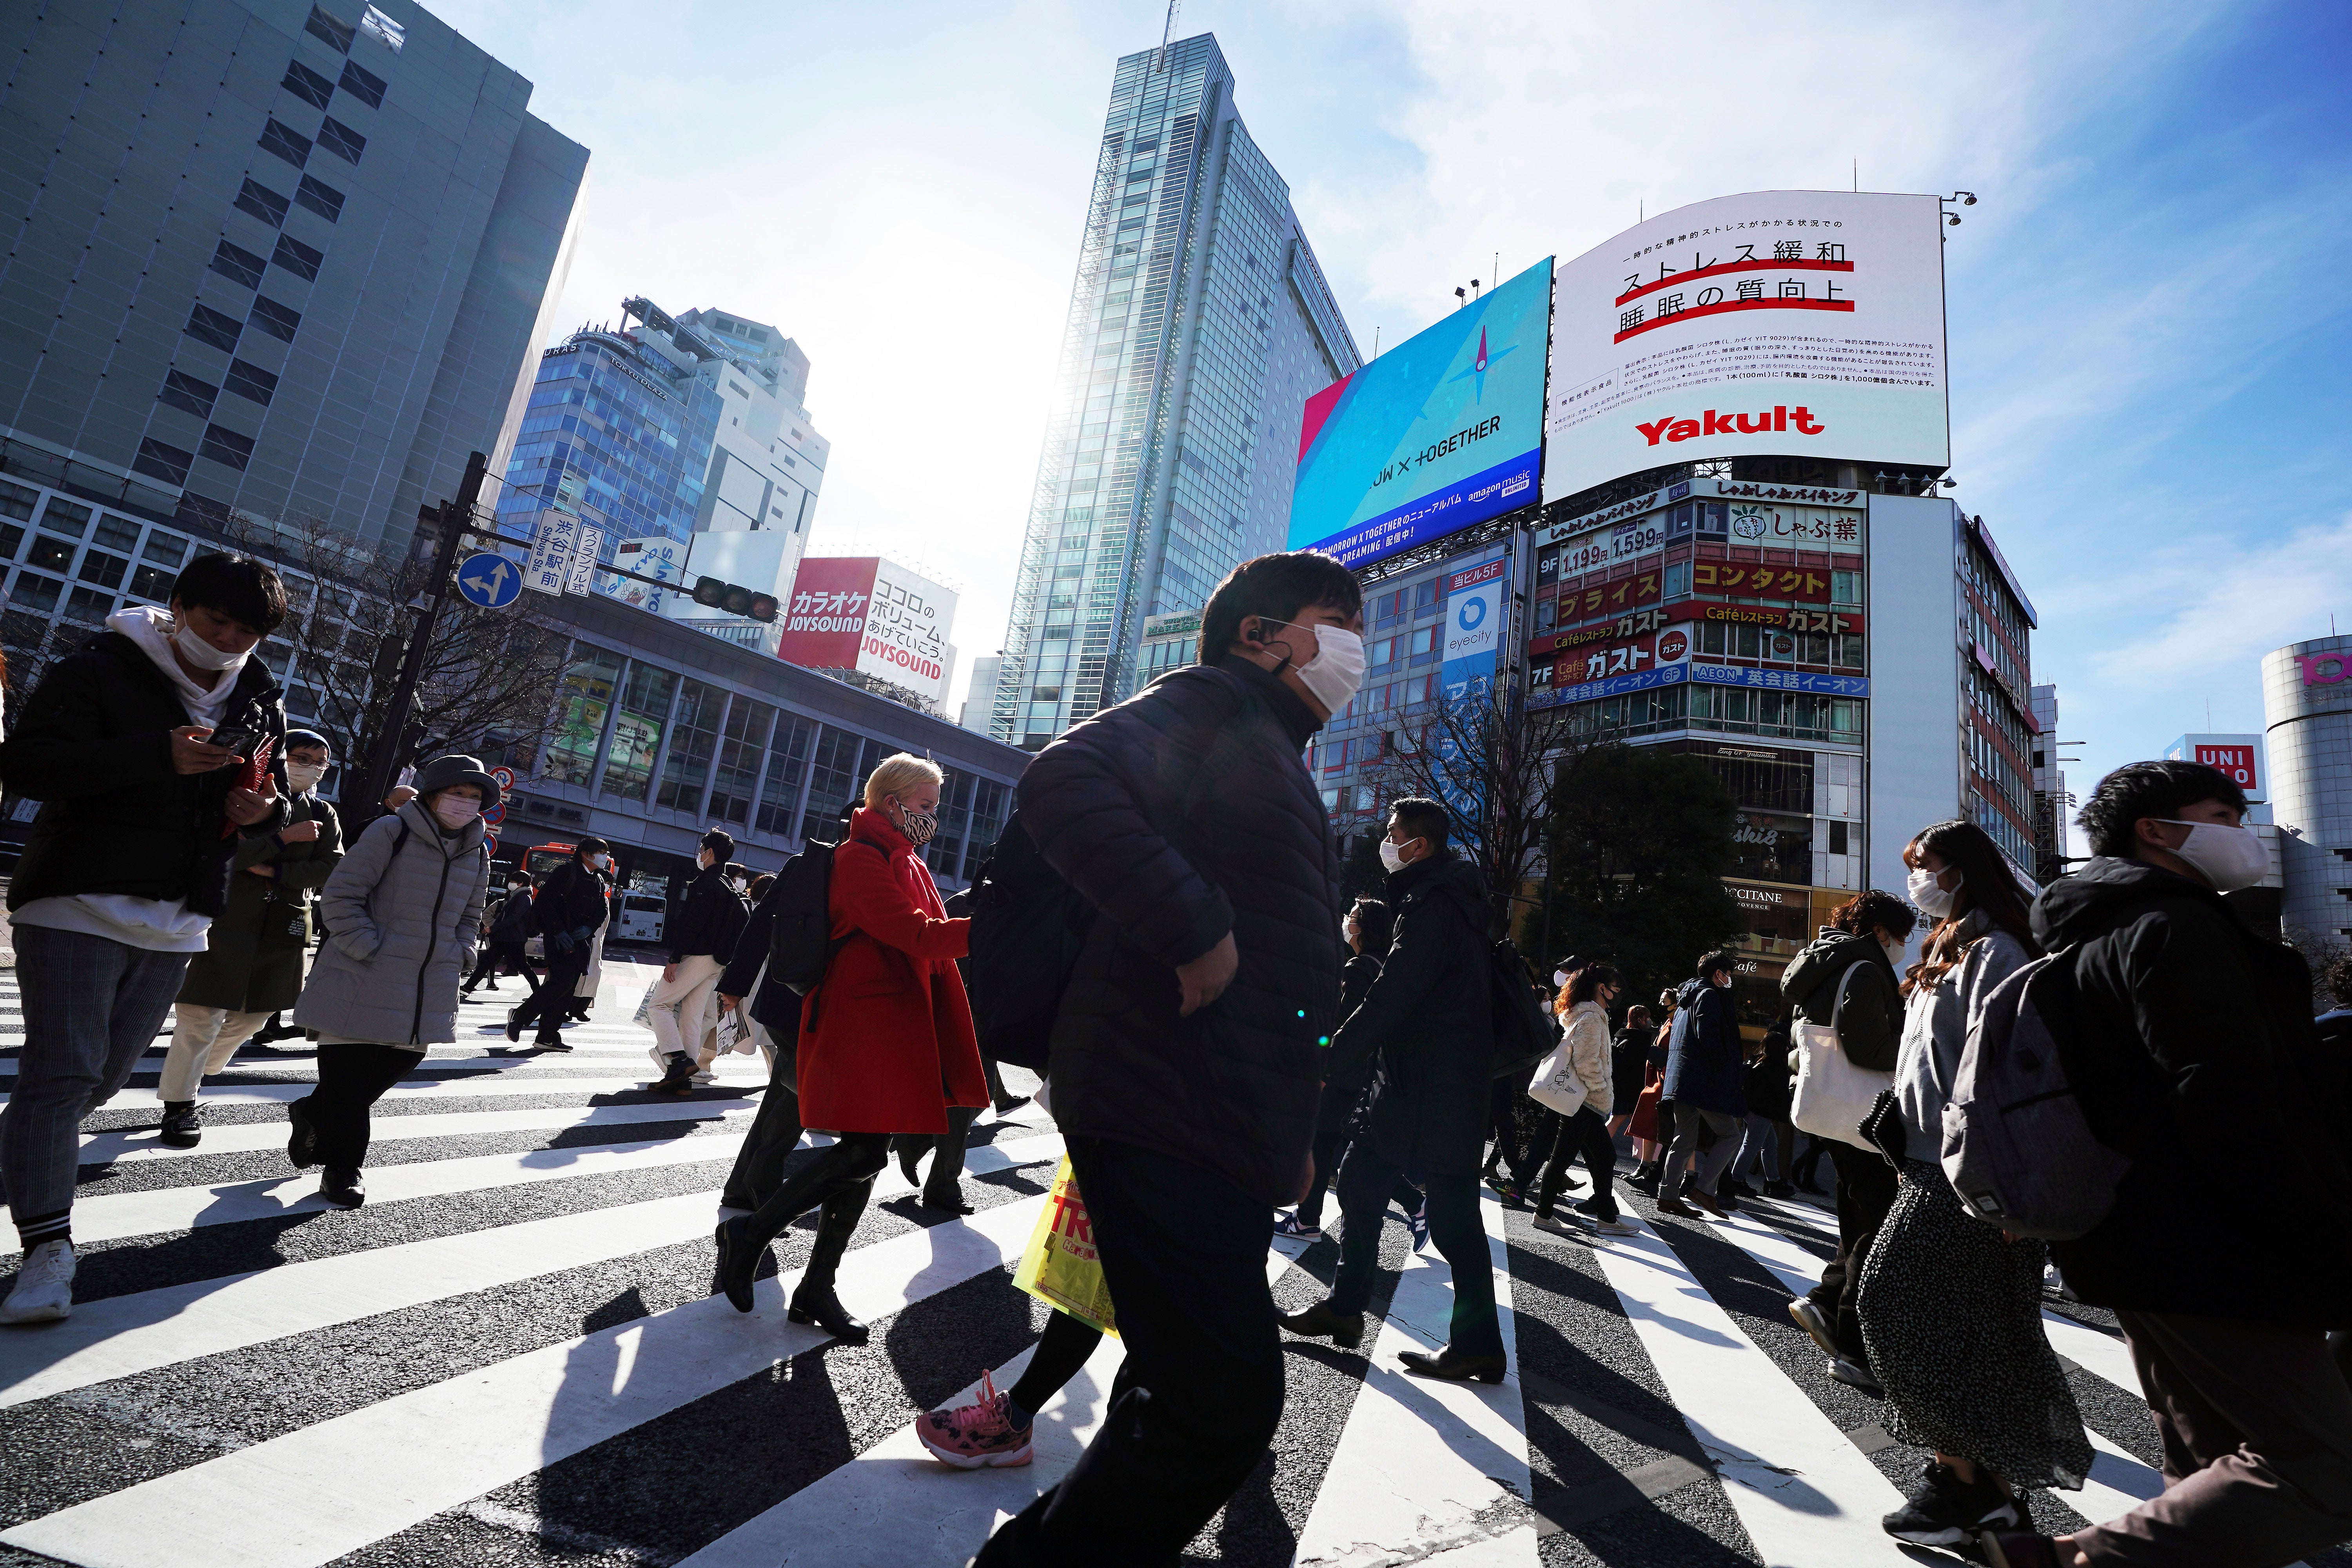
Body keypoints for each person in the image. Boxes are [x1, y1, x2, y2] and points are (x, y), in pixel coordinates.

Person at [972, 551, 1355, 1565]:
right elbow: (1064, 779)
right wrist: (1191, 926)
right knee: (1219, 1399)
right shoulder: (1215, 701)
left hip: (1218, 1113)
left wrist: (1298, 1132)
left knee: (1177, 1389)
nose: (1354, 651)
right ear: (1259, 636)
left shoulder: (1276, 749)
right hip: (1161, 1093)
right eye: (1333, 622)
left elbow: (1297, 976)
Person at [1979, 760, 2352, 1568]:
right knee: (2325, 1469)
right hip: (2225, 1246)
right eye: (2224, 813)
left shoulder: (2084, 940)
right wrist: (2318, 1230)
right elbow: (2228, 1102)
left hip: (2132, 1240)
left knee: (2206, 1466)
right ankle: (2070, 1561)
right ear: (2156, 829)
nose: (2243, 833)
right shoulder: (2179, 929)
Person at [0, 556, 289, 1323]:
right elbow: (26, 763)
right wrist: (154, 753)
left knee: (98, 1081)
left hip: (180, 912)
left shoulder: (261, 696)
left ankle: (26, 1159)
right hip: (75, 897)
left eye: (246, 630)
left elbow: (276, 789)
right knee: (62, 1075)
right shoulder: (99, 667)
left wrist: (260, 809)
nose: (226, 640)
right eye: (214, 620)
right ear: (177, 606)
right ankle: (47, 1251)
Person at [1855, 820, 2091, 1549]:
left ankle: (1966, 1485)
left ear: (1962, 870)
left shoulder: (1999, 950)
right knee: (1966, 1329)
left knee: (1894, 1307)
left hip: (1974, 1173)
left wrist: (2015, 1182)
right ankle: (1977, 1491)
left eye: (1924, 865)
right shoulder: (1949, 949)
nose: (1916, 880)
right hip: (1934, 1165)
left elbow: (2008, 1070)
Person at [713, 753, 988, 1340]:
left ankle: (817, 1288)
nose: (932, 818)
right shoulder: (861, 858)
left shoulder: (902, 859)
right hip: (861, 1025)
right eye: (925, 807)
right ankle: (753, 1233)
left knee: (866, 1158)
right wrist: (996, 928)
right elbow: (914, 934)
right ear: (891, 802)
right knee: (863, 1154)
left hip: (889, 1024)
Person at [1280, 795, 1500, 1382]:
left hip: (1428, 1084)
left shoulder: (1434, 903)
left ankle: (1470, 1341)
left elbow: (1393, 994)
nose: (1387, 840)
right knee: (1361, 1178)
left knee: (1450, 1215)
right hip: (1430, 1081)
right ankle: (1348, 1310)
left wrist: (1330, 1057)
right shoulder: (1453, 897)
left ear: (1418, 846)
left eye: (1393, 833)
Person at [283, 755, 495, 1208]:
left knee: (386, 1072)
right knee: (350, 1083)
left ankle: (312, 1112)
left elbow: (471, 914)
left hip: (425, 987)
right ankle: (343, 1167)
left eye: (474, 798)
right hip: (362, 976)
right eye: (458, 793)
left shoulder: (477, 852)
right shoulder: (391, 832)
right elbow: (341, 894)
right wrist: (366, 946)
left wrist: (463, 952)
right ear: (434, 794)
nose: (465, 804)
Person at [156, 728, 344, 1147]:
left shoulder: (325, 813)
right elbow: (218, 849)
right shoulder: (244, 792)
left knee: (255, 1016)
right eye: (301, 756)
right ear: (280, 756)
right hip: (225, 918)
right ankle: (179, 1105)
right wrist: (283, 840)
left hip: (284, 926)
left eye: (319, 762)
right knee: (200, 1014)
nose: (310, 767)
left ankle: (199, 1072)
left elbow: (331, 867)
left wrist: (274, 870)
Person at [1778, 888, 1914, 1390]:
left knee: (1860, 1213)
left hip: (1827, 1108)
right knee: (1876, 1223)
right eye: (1900, 934)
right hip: (1862, 1112)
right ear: (1880, 930)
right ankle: (1853, 1347)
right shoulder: (1865, 967)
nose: (1903, 944)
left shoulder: (1823, 961)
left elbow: (1806, 1043)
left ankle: (1826, 1299)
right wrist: (1909, 1046)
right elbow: (1866, 1044)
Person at [1276, 894, 1394, 1240]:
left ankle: (1308, 1219)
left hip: (1342, 1073)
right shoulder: (1380, 965)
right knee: (1338, 1143)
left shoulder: (1358, 969)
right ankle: (1307, 1215)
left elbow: (1344, 1025)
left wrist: (1324, 1068)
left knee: (1322, 1142)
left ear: (1364, 928)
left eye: (1354, 916)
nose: (1348, 920)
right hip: (1363, 1073)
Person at [1532, 964, 1635, 1238]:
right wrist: (1601, 1089)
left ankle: (1606, 1217)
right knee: (1567, 1156)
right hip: (1585, 1100)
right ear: (1602, 988)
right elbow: (1587, 1061)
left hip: (1585, 1100)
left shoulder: (1591, 1015)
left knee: (1602, 1156)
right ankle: (1545, 1214)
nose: (1618, 994)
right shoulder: (1591, 1018)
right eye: (1616, 989)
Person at [649, 828, 750, 1094]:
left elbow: (691, 925)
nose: (700, 853)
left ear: (710, 853)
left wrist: (674, 958)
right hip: (717, 962)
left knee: (659, 1005)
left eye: (702, 848)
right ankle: (682, 1081)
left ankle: (679, 1061)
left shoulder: (705, 883)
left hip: (697, 955)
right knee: (691, 1019)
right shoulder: (729, 885)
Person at [1655, 951, 1748, 1220]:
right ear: (1718, 974)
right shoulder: (1709, 995)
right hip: (1703, 1080)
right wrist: (1725, 1067)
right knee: (1730, 1135)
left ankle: (1668, 1195)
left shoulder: (1686, 998)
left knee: (1683, 1139)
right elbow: (1709, 1038)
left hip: (1682, 1078)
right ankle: (1704, 1190)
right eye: (1728, 974)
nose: (1729, 980)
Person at [507, 838, 610, 1049]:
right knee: (561, 982)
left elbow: (602, 910)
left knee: (568, 987)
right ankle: (521, 1016)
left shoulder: (598, 879)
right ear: (587, 854)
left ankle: (548, 1036)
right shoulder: (567, 871)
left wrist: (590, 928)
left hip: (582, 941)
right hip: (559, 938)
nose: (605, 858)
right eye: (601, 852)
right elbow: (545, 902)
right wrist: (557, 931)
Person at [1727, 1012, 1796, 1201]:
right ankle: (1737, 1180)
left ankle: (1772, 1181)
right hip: (1762, 1112)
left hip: (1754, 1110)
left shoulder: (1760, 1063)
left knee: (1769, 1144)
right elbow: (1779, 1095)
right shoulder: (1776, 1067)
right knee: (1751, 1145)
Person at [463, 877, 539, 998]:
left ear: (520, 883)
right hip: (507, 937)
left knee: (523, 966)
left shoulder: (524, 898)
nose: (511, 884)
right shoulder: (518, 896)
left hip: (514, 939)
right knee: (487, 962)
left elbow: (514, 918)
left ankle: (538, 994)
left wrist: (493, 928)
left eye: (514, 881)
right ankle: (468, 987)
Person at [1605, 1002, 1653, 1146]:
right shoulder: (1638, 1041)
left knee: (1616, 1120)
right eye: (1647, 1018)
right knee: (1644, 1126)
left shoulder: (1621, 1037)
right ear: (1640, 1020)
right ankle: (1646, 1162)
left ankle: (1597, 1149)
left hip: (1620, 1088)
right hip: (1633, 1091)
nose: (1650, 1021)